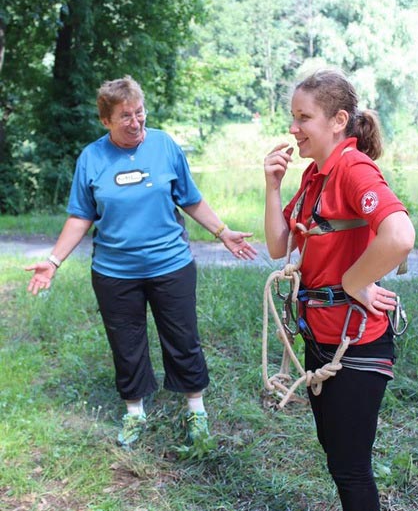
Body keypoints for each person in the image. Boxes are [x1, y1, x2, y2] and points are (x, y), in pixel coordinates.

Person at [26, 75, 257, 450]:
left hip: (171, 265)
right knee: (126, 343)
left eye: (139, 112)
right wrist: (53, 262)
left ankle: (195, 410)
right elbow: (81, 216)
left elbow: (190, 198)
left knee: (183, 338)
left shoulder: (165, 146)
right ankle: (134, 412)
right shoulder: (92, 158)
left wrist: (222, 232)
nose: (135, 123)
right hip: (114, 273)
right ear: (106, 120)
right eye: (125, 117)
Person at [263, 69, 415, 511]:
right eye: (293, 117)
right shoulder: (316, 175)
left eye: (303, 117)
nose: (294, 128)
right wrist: (272, 185)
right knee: (335, 445)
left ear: (338, 120)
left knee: (350, 461)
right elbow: (279, 246)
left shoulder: (352, 169)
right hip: (322, 337)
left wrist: (354, 280)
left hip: (358, 342)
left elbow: (400, 234)